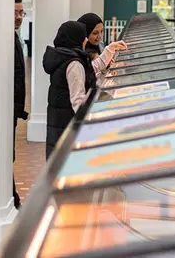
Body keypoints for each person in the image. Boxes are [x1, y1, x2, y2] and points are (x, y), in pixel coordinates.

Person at [43, 23, 127, 160]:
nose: (86, 40)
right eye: (83, 37)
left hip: (60, 122)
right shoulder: (74, 64)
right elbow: (78, 102)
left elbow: (91, 69)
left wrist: (109, 49)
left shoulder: (66, 57)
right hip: (67, 125)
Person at [13, 0, 28, 210]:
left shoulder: (14, 38)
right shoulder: (7, 39)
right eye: (14, 13)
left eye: (20, 13)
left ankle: (13, 197)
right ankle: (13, 198)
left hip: (12, 109)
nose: (18, 17)